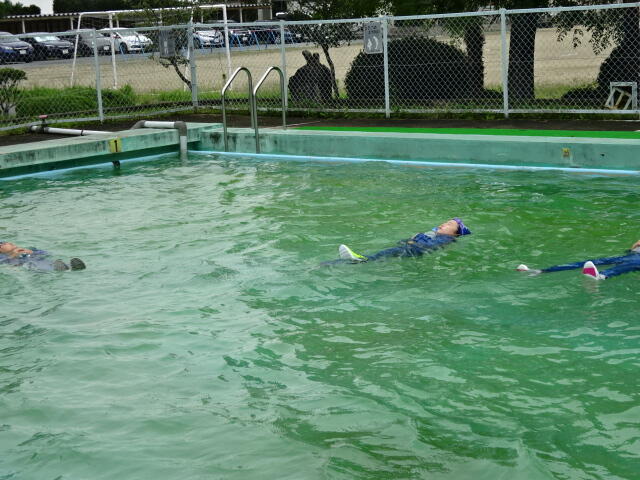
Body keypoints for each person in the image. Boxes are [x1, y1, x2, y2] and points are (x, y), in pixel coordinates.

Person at [335, 218, 472, 263]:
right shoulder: (436, 235)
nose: (443, 224)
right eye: (445, 222)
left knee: (387, 253)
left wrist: (414, 242)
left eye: (449, 224)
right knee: (386, 253)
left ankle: (363, 259)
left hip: (415, 250)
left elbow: (428, 247)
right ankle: (357, 261)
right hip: (411, 248)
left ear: (456, 233)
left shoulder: (447, 239)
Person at [517, 239, 640, 280]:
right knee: (597, 261)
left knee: (630, 264)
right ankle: (542, 271)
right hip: (634, 254)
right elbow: (635, 245)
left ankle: (602, 275)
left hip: (635, 258)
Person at [0, 241, 86, 272]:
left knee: (52, 262)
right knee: (34, 266)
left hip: (40, 259)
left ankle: (71, 266)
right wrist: (13, 255)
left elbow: (47, 253)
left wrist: (33, 252)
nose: (8, 243)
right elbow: (3, 264)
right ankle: (59, 269)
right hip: (27, 264)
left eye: (6, 242)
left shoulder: (29, 249)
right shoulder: (2, 256)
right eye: (2, 244)